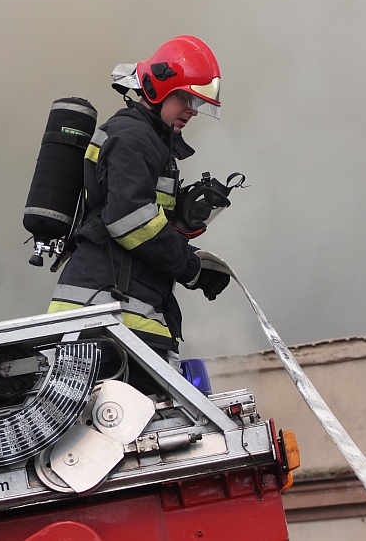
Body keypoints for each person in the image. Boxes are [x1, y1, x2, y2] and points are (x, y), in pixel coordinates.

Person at [48, 35, 231, 373]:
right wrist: (190, 267)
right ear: (159, 88)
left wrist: (187, 242)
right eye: (186, 97)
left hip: (120, 318)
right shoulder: (132, 136)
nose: (192, 110)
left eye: (197, 102)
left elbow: (140, 219)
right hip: (107, 317)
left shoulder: (149, 141)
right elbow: (130, 219)